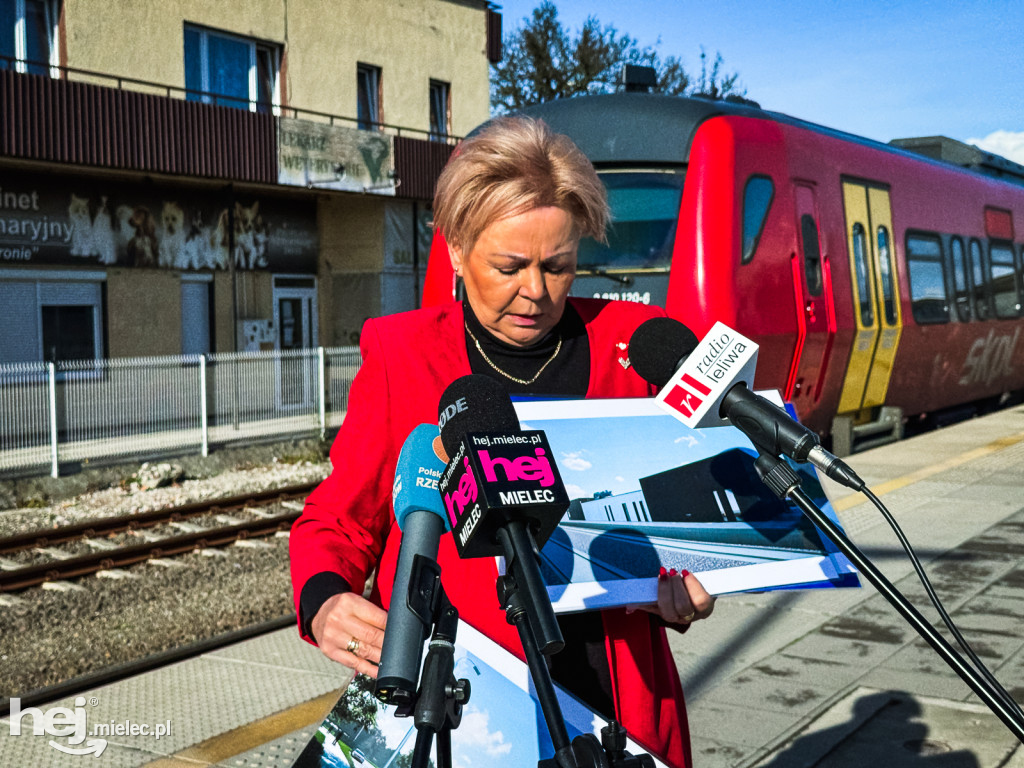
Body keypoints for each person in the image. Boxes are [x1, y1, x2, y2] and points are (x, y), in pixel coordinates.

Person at [290, 116, 715, 768]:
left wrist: (689, 584)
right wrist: (324, 602)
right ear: (457, 252)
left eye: (559, 266)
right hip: (461, 709)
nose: (536, 292)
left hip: (614, 698)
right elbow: (338, 520)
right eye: (509, 266)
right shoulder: (403, 356)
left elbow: (683, 511)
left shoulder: (634, 347)